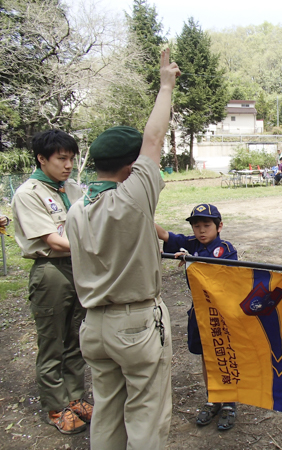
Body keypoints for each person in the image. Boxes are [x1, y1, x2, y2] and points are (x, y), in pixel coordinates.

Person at [65, 49, 180, 448]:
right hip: (134, 324)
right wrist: (165, 84)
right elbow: (154, 137)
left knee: (108, 413)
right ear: (131, 168)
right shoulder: (133, 199)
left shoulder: (77, 209)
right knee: (147, 415)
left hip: (93, 326)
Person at [11, 129, 91, 434]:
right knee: (52, 341)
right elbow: (53, 241)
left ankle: (75, 398)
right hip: (51, 271)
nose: (68, 164)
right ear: (42, 159)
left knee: (76, 336)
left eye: (71, 158)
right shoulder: (29, 193)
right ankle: (56, 407)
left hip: (78, 268)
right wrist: (94, 247)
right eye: (61, 158)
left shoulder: (72, 190)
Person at [155, 204, 238, 430]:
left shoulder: (226, 248)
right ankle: (213, 397)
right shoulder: (190, 244)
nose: (201, 231)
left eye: (206, 226)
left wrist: (193, 260)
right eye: (196, 226)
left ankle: (229, 402)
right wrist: (140, 211)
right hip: (199, 312)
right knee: (206, 357)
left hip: (222, 314)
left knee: (223, 354)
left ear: (219, 226)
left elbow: (220, 273)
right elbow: (163, 234)